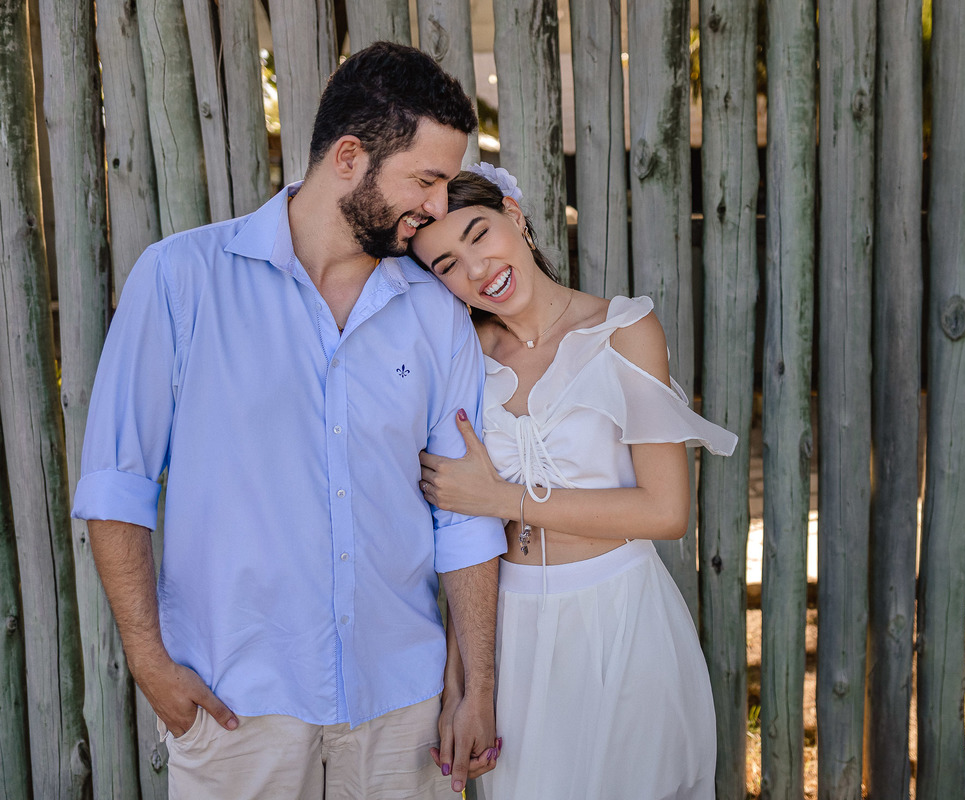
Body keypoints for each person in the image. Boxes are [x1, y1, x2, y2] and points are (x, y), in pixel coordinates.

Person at [71, 43, 506, 798]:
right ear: (349, 157)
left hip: (402, 707)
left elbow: (462, 518)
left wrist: (479, 686)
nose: (439, 208)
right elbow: (117, 484)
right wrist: (148, 661)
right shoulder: (180, 281)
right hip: (237, 705)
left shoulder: (435, 313)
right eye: (426, 180)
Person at [409, 165, 737, 799]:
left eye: (479, 234)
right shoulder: (463, 359)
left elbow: (665, 511)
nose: (476, 269)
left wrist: (503, 499)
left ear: (515, 215)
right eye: (447, 265)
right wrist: (462, 685)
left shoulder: (624, 331)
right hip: (511, 630)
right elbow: (464, 535)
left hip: (621, 617)